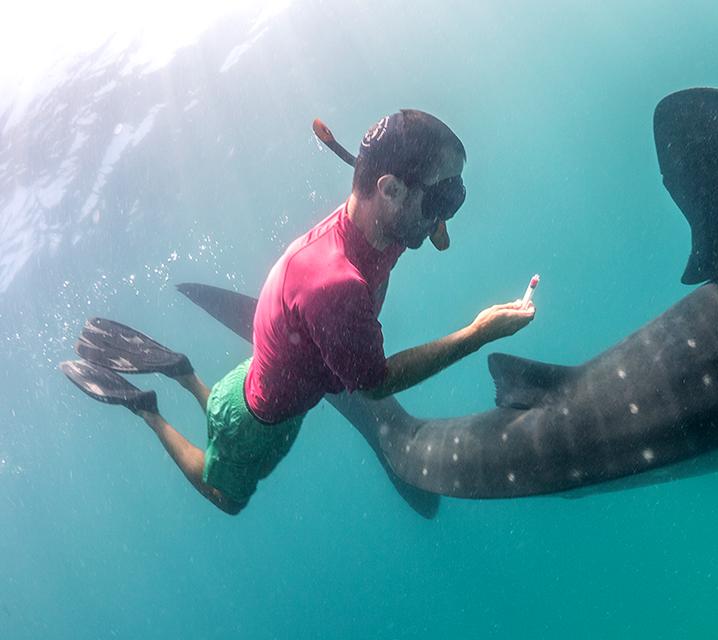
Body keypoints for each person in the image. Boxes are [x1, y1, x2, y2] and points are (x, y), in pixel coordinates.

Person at [61, 110, 535, 515]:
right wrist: (479, 332)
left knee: (235, 418)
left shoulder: (384, 221)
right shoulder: (335, 284)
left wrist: (435, 209)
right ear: (389, 189)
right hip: (256, 421)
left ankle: (184, 373)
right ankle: (146, 409)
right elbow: (375, 385)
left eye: (455, 195)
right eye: (441, 198)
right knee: (227, 496)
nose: (443, 214)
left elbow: (422, 223)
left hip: (267, 385)